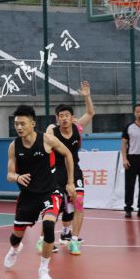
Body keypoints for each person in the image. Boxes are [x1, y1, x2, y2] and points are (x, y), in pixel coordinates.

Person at [4, 105, 76, 279]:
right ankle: (15, 249)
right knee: (15, 237)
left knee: (49, 225)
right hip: (28, 196)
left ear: (33, 124)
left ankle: (43, 270)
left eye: (22, 123)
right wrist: (17, 177)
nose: (19, 127)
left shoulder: (47, 140)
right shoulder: (14, 146)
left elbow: (68, 154)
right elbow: (9, 174)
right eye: (16, 124)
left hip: (50, 191)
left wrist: (70, 182)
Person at [43, 80, 95, 256]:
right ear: (57, 118)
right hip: (57, 172)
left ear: (72, 118)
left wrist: (87, 96)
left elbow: (90, 113)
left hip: (74, 170)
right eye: (61, 116)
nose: (64, 118)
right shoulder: (52, 132)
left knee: (78, 202)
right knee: (58, 207)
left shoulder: (77, 128)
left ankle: (74, 240)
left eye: (67, 115)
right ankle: (45, 239)